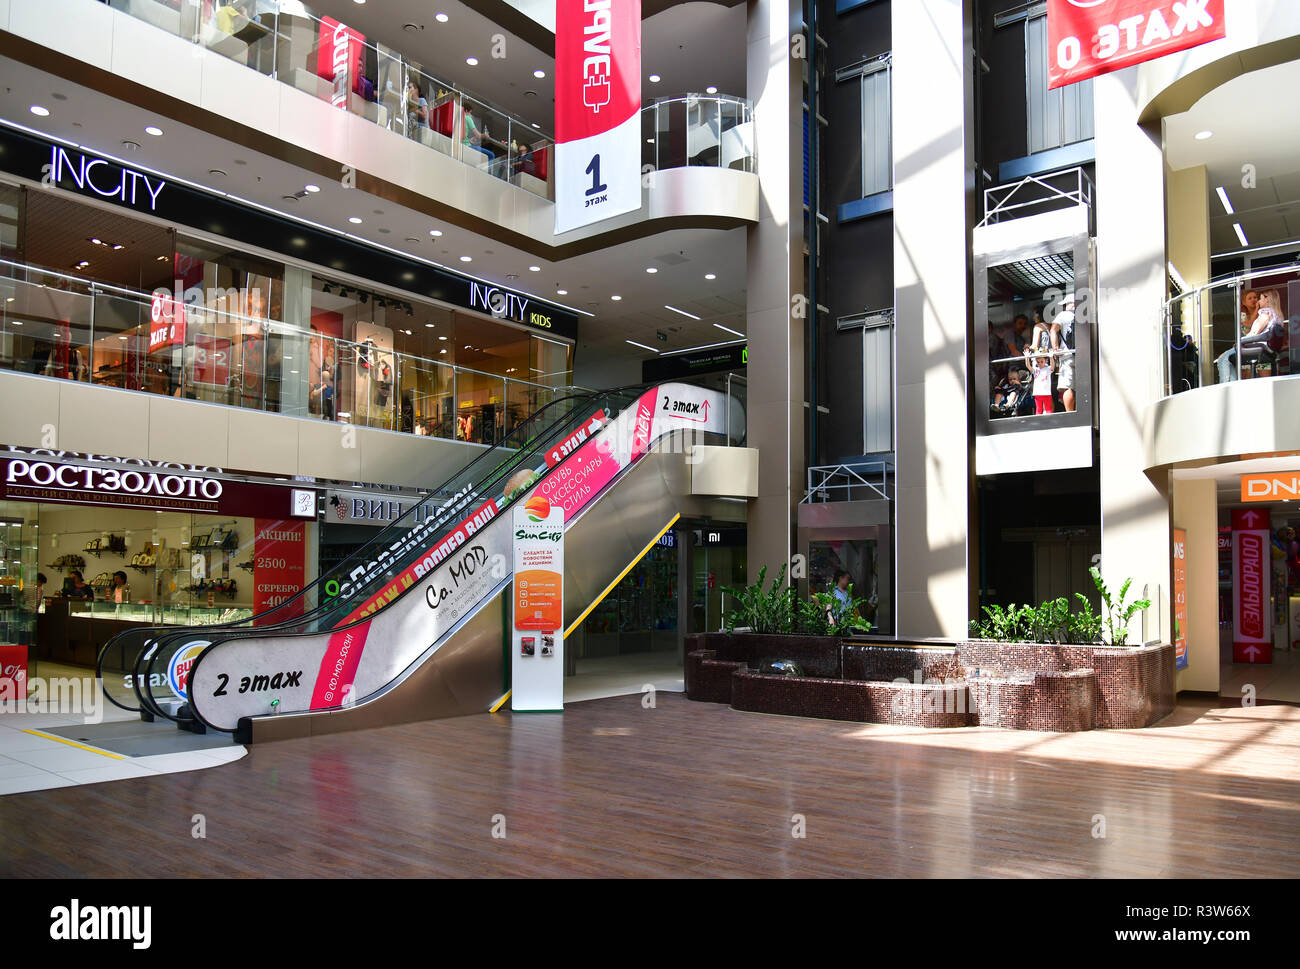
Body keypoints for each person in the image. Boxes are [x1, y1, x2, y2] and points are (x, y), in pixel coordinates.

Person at [1216, 288, 1280, 384]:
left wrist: (1258, 311)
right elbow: (1247, 324)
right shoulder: (1243, 313)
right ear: (1244, 302)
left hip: (1252, 346)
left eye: (1256, 297)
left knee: (1224, 359)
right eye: (1250, 298)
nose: (1254, 300)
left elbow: (1254, 332)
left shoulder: (1265, 314)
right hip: (1249, 346)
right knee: (1243, 371)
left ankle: (1228, 385)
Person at [1051, 295, 1077, 412]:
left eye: (1066, 304)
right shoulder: (1085, 316)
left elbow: (1053, 330)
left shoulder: (1063, 315)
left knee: (1068, 387)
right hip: (1084, 355)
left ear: (1072, 303)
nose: (1065, 307)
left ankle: (1070, 414)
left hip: (1067, 355)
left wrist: (1055, 348)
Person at [462, 104, 497, 169]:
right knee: (491, 155)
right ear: (466, 111)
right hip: (467, 146)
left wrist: (469, 140)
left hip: (462, 145)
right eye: (470, 113)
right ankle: (487, 171)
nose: (471, 115)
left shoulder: (459, 118)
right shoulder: (467, 118)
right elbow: (478, 135)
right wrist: (485, 135)